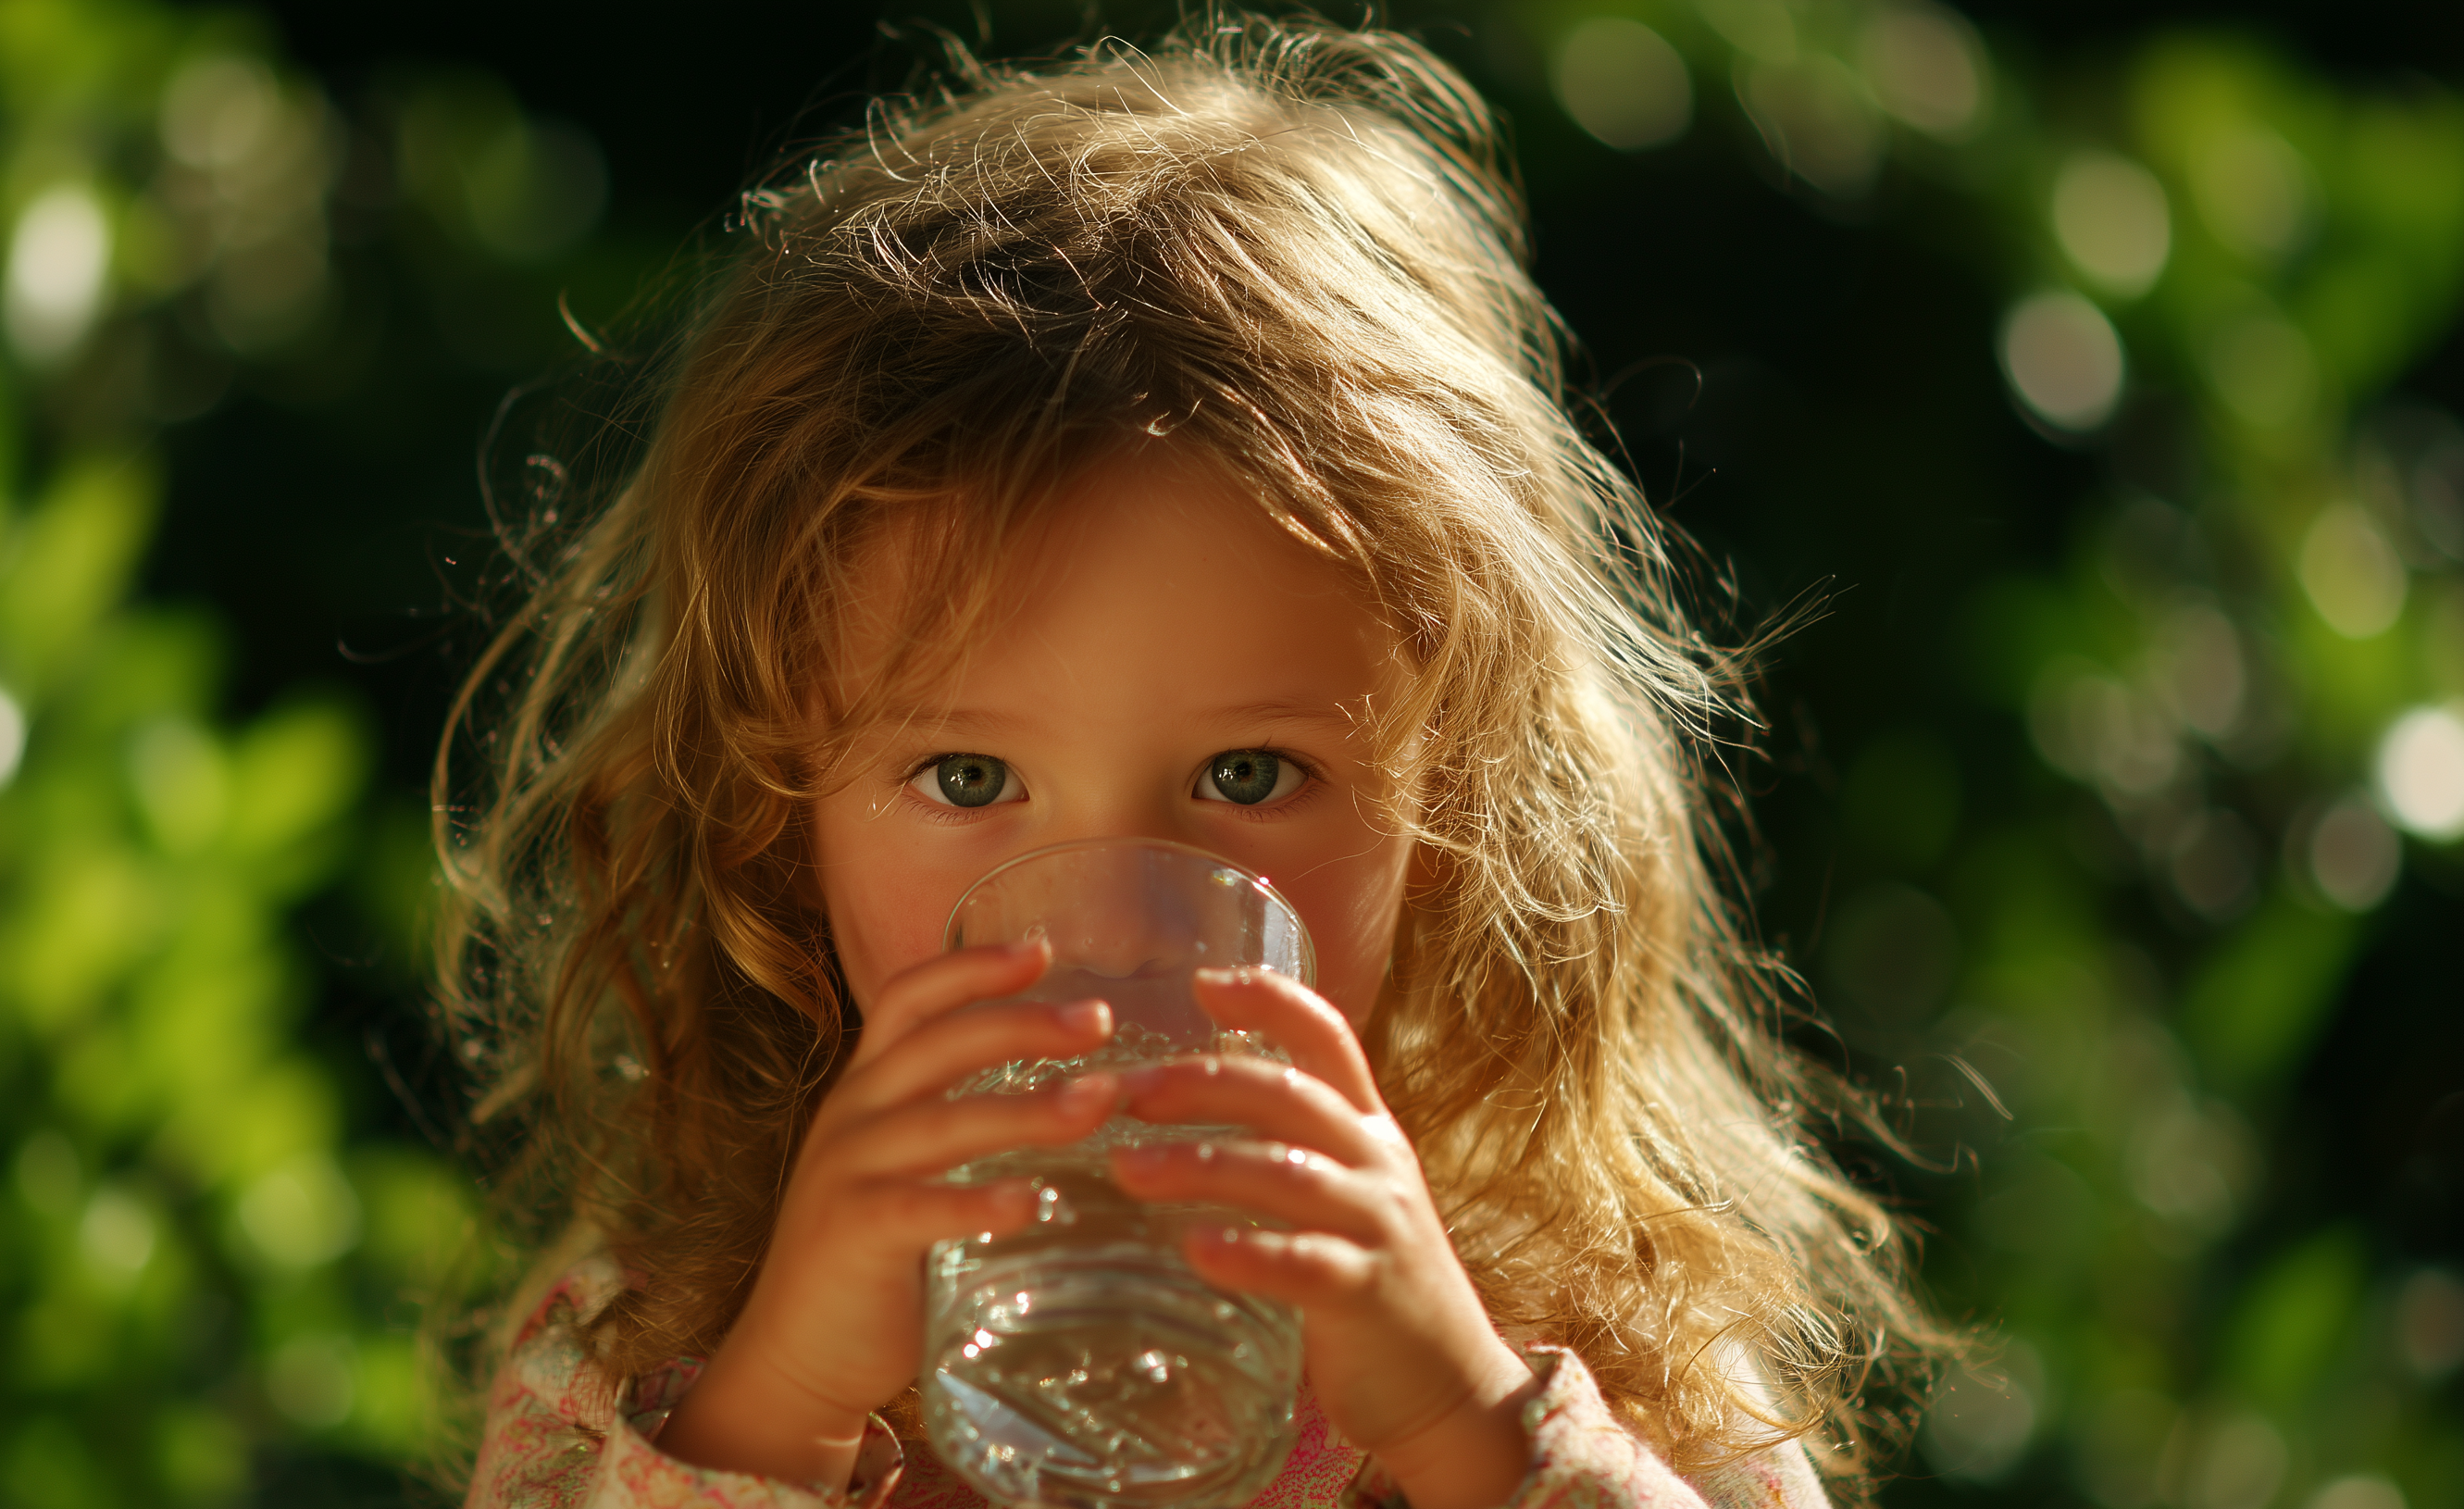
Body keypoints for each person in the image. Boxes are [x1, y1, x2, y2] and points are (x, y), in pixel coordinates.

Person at [440, 14, 1939, 1508]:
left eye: (1245, 776)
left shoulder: (1582, 1335)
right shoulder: (652, 1345)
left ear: (1454, 797)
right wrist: (776, 1406)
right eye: (969, 780)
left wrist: (1465, 1424)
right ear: (779, 812)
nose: (1112, 942)